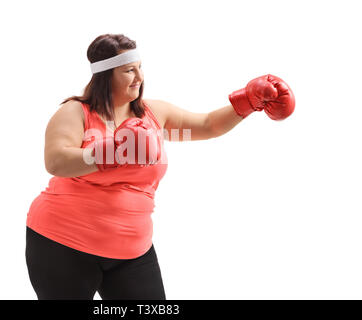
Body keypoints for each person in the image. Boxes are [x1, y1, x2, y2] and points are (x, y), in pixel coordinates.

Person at [25, 33, 295, 300]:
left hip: (131, 251)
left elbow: (207, 126)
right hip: (62, 243)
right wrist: (113, 152)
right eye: (129, 70)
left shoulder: (153, 115)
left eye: (140, 68)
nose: (139, 78)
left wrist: (248, 101)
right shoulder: (76, 112)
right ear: (105, 76)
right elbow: (56, 161)